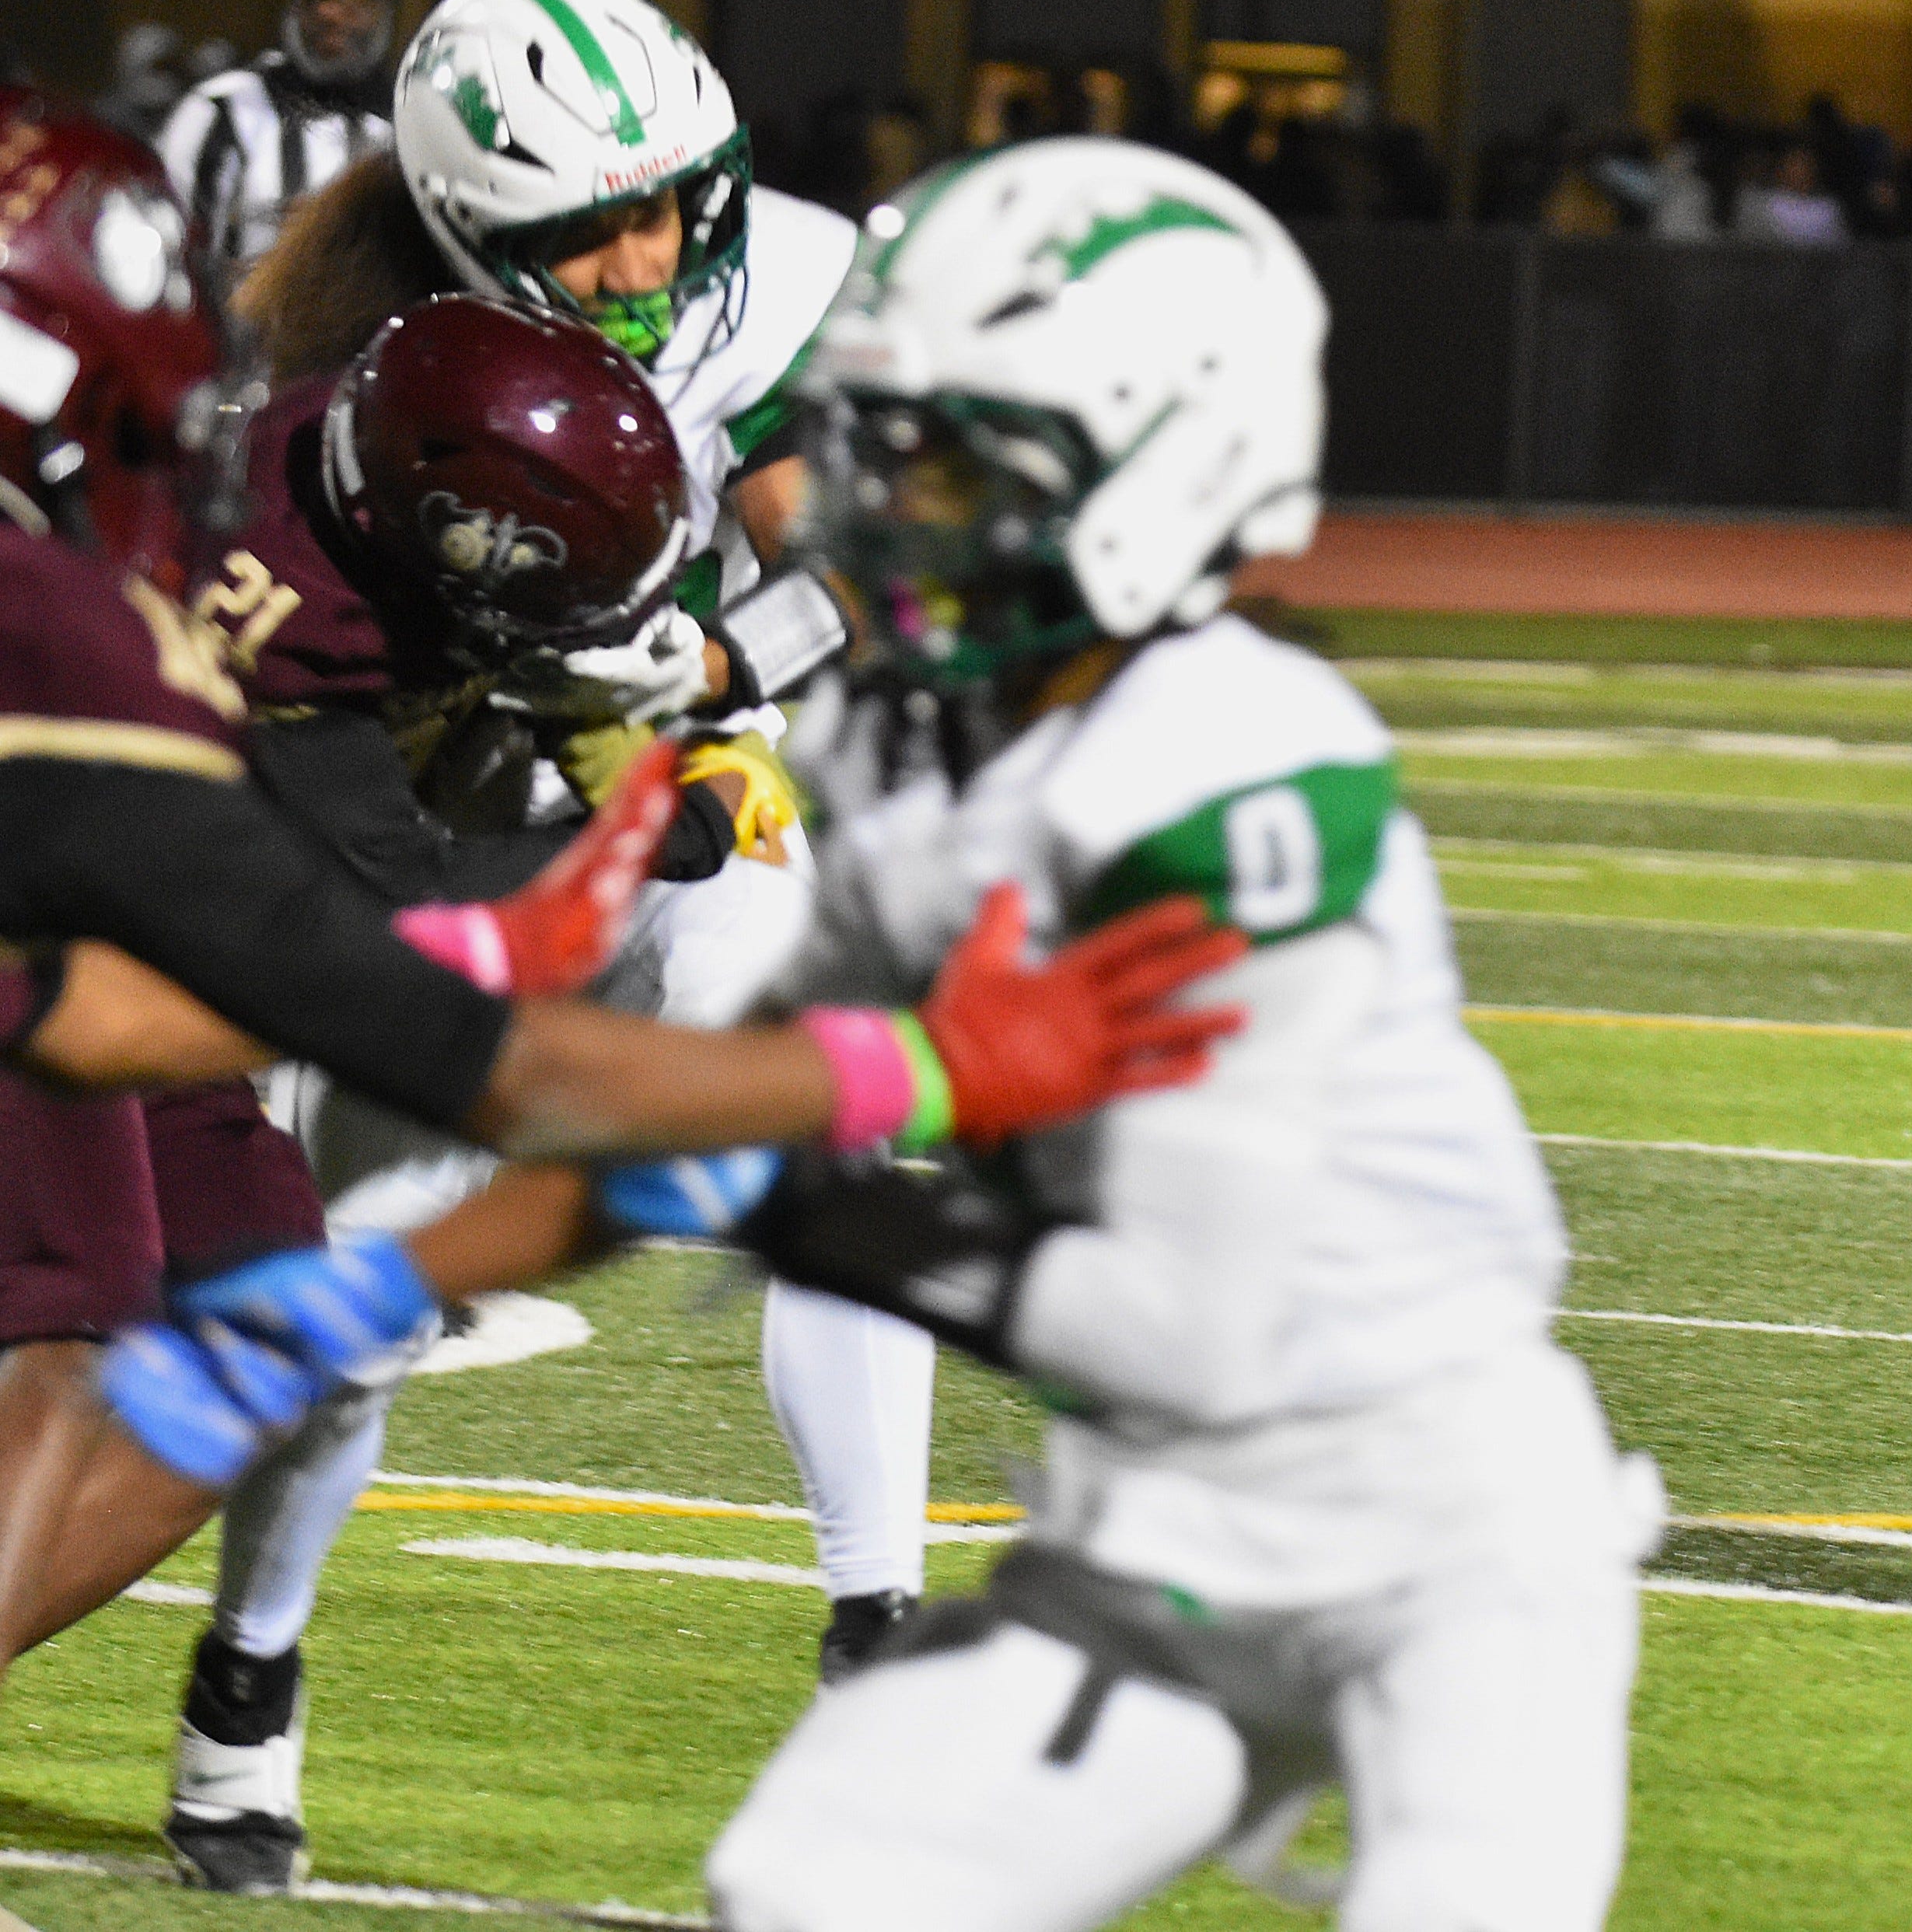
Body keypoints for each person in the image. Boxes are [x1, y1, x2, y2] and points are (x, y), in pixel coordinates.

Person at [146, 137, 1659, 1932]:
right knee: (806, 1889)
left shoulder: (1248, 758)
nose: (882, 506)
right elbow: (706, 1098)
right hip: (1157, 1533)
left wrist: (829, 1140)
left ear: (1155, 472)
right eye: (890, 444)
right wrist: (377, 1281)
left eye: (952, 460)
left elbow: (1156, 1291)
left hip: (1438, 1527)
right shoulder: (924, 741)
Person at [0, 92, 1247, 1704]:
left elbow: (123, 1004)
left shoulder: (243, 505)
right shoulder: (161, 623)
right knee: (69, 1347)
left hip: (87, 958)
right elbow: (277, 992)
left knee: (248, 1318)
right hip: (100, 948)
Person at [248, 0, 934, 1689]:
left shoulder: (748, 282)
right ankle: (248, 1670)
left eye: (666, 208)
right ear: (472, 230)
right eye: (595, 231)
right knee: (355, 1308)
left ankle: (880, 1617)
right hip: (450, 813)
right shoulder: (349, 375)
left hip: (695, 767)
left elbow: (858, 558)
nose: (651, 260)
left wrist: (715, 659)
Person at [156, 0, 404, 278]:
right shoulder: (219, 112)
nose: (333, 14)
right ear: (289, 6)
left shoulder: (412, 119)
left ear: (389, 10)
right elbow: (164, 252)